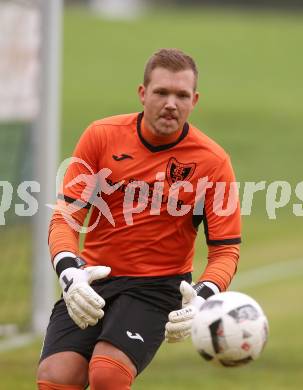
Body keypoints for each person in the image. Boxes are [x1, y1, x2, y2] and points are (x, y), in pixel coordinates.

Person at [37, 48, 241, 390]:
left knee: (107, 373)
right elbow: (65, 218)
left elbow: (226, 250)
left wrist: (203, 296)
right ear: (143, 93)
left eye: (181, 95)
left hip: (157, 287)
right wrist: (70, 271)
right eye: (161, 92)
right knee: (55, 377)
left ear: (195, 100)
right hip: (94, 280)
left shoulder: (213, 162)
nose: (171, 103)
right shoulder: (101, 136)